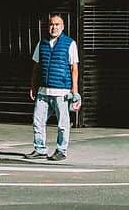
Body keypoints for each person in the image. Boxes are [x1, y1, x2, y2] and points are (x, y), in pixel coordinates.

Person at [27, 12, 80, 161]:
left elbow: (74, 69)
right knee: (38, 120)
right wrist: (33, 86)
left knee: (62, 123)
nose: (54, 27)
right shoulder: (41, 43)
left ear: (62, 27)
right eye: (51, 24)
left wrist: (75, 92)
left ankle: (61, 150)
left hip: (61, 91)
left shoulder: (70, 44)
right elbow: (36, 67)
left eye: (57, 24)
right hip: (43, 90)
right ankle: (40, 149)